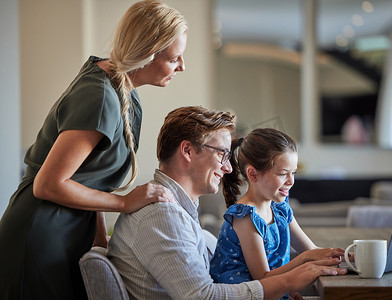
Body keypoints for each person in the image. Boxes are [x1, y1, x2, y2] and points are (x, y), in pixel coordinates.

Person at [0, 1, 188, 299]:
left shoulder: (123, 90)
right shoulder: (100, 96)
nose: (182, 66)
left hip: (69, 236)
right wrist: (125, 203)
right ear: (147, 52)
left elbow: (91, 177)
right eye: (175, 58)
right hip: (41, 238)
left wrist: (101, 238)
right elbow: (48, 184)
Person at [108, 106, 347, 300]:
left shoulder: (176, 210)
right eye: (222, 153)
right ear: (188, 151)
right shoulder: (161, 215)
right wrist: (287, 280)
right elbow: (202, 297)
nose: (229, 167)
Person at [209, 128, 346, 298]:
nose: (291, 181)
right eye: (282, 174)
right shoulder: (244, 217)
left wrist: (349, 257)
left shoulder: (279, 207)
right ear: (253, 174)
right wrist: (304, 260)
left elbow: (311, 251)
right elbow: (262, 279)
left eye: (293, 173)